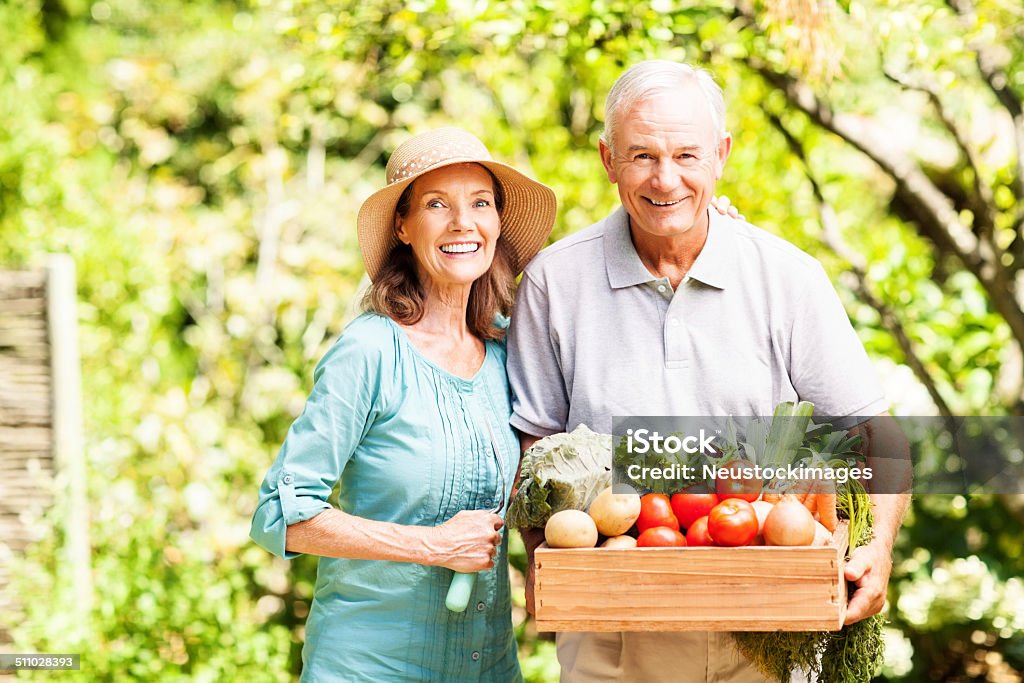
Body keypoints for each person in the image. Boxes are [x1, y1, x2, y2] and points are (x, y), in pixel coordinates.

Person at [507, 60, 911, 682]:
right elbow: (535, 448)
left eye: (686, 155)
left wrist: (877, 550)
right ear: (607, 159)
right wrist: (549, 565)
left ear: (720, 155)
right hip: (612, 635)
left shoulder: (787, 277)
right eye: (641, 155)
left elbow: (875, 432)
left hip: (768, 632)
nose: (665, 179)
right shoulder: (554, 283)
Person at [249, 127, 557, 682]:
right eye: (437, 205)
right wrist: (432, 545)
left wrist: (711, 237)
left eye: (480, 203)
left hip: (486, 667)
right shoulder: (369, 352)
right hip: (368, 666)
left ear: (496, 223)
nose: (463, 223)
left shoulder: (509, 352)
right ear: (403, 226)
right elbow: (281, 514)